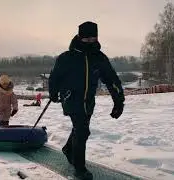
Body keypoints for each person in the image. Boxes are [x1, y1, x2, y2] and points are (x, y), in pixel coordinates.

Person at [48, 21, 125, 179]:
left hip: (88, 101)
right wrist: (53, 92)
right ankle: (80, 168)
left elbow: (112, 80)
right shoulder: (67, 57)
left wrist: (118, 101)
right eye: (86, 40)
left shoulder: (99, 58)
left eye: (93, 39)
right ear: (79, 37)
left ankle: (68, 149)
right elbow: (55, 76)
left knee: (80, 129)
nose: (90, 43)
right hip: (71, 99)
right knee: (82, 131)